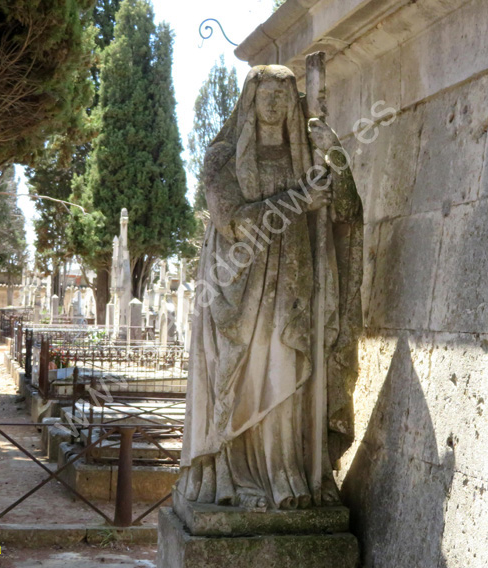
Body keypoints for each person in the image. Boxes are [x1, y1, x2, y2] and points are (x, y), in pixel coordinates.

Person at [179, 64, 363, 510]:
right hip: (240, 290)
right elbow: (234, 221)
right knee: (240, 383)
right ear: (250, 100)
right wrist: (297, 199)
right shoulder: (222, 156)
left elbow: (347, 215)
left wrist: (334, 154)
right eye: (266, 95)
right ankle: (239, 482)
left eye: (284, 95)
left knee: (289, 375)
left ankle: (288, 476)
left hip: (296, 282)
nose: (275, 103)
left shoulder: (306, 158)